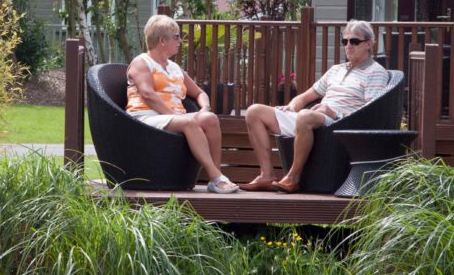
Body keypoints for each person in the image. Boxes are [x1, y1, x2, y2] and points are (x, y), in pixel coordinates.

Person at [242, 19, 390, 193]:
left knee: (305, 116)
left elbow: (371, 111)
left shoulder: (376, 72)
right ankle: (266, 174)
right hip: (315, 118)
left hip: (339, 123)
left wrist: (334, 113)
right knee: (254, 112)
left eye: (355, 41)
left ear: (369, 44)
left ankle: (293, 177)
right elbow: (307, 96)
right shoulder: (336, 69)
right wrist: (291, 105)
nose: (348, 45)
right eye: (345, 41)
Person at [126, 15, 239, 193]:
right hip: (145, 117)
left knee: (210, 119)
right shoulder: (142, 62)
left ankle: (214, 178)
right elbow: (147, 94)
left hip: (173, 118)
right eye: (176, 36)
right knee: (188, 122)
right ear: (162, 40)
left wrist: (204, 108)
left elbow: (199, 93)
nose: (180, 41)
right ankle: (217, 177)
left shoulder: (174, 68)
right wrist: (174, 115)